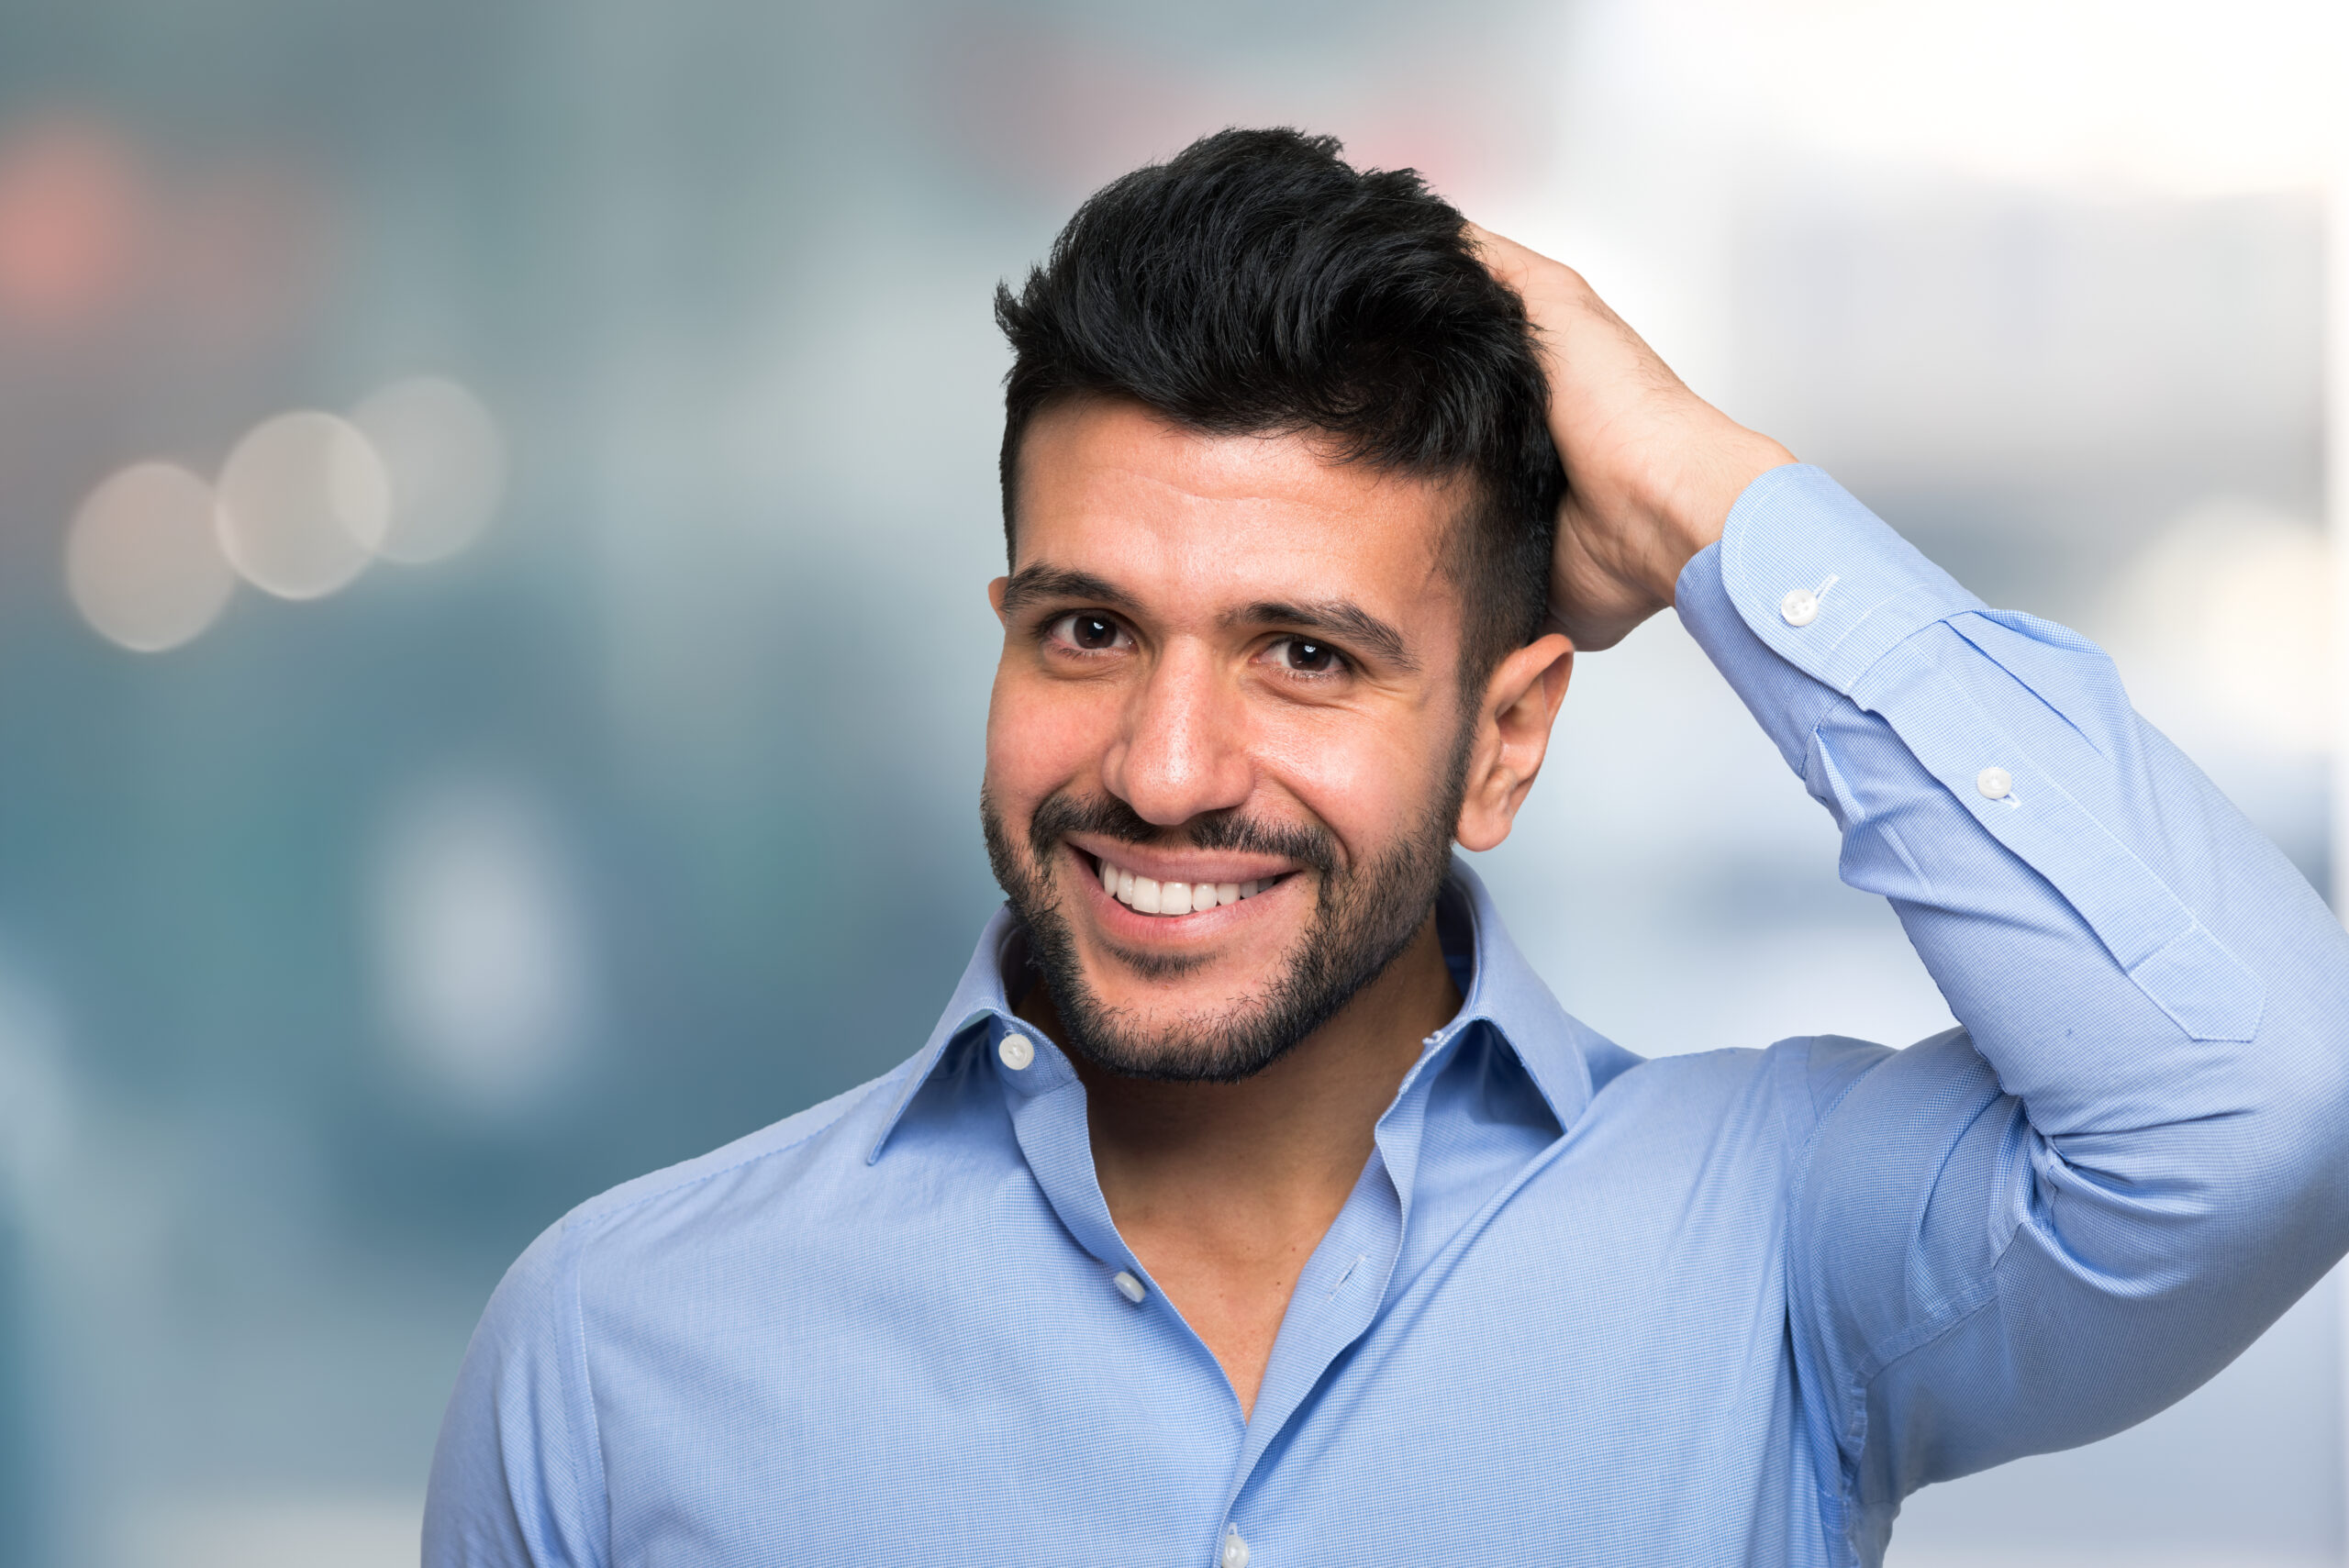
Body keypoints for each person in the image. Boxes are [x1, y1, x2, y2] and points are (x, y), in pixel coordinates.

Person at [423, 128, 2349, 1567]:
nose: (1166, 770)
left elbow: (2258, 1098)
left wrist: (1701, 495)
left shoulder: (1774, 1243)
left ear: (1501, 741)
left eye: (1304, 655)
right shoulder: (614, 1350)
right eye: (1087, 631)